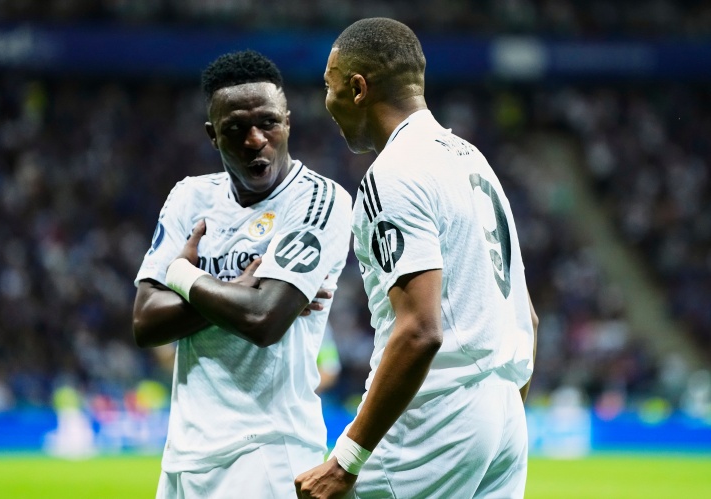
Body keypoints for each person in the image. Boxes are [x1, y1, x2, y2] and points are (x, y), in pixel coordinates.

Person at [295, 18, 539, 499]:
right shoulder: (473, 161)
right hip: (505, 415)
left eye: (329, 86)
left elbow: (420, 330)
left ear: (357, 89)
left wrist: (346, 462)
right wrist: (496, 416)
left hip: (434, 419)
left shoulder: (394, 173)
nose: (327, 101)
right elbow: (526, 316)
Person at [132, 50, 352, 498]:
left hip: (267, 450)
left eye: (268, 123)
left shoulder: (319, 200)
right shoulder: (189, 197)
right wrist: (235, 290)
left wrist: (183, 277)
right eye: (235, 129)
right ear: (213, 136)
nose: (255, 140)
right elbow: (145, 323)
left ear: (287, 122)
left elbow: (263, 320)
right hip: (183, 454)